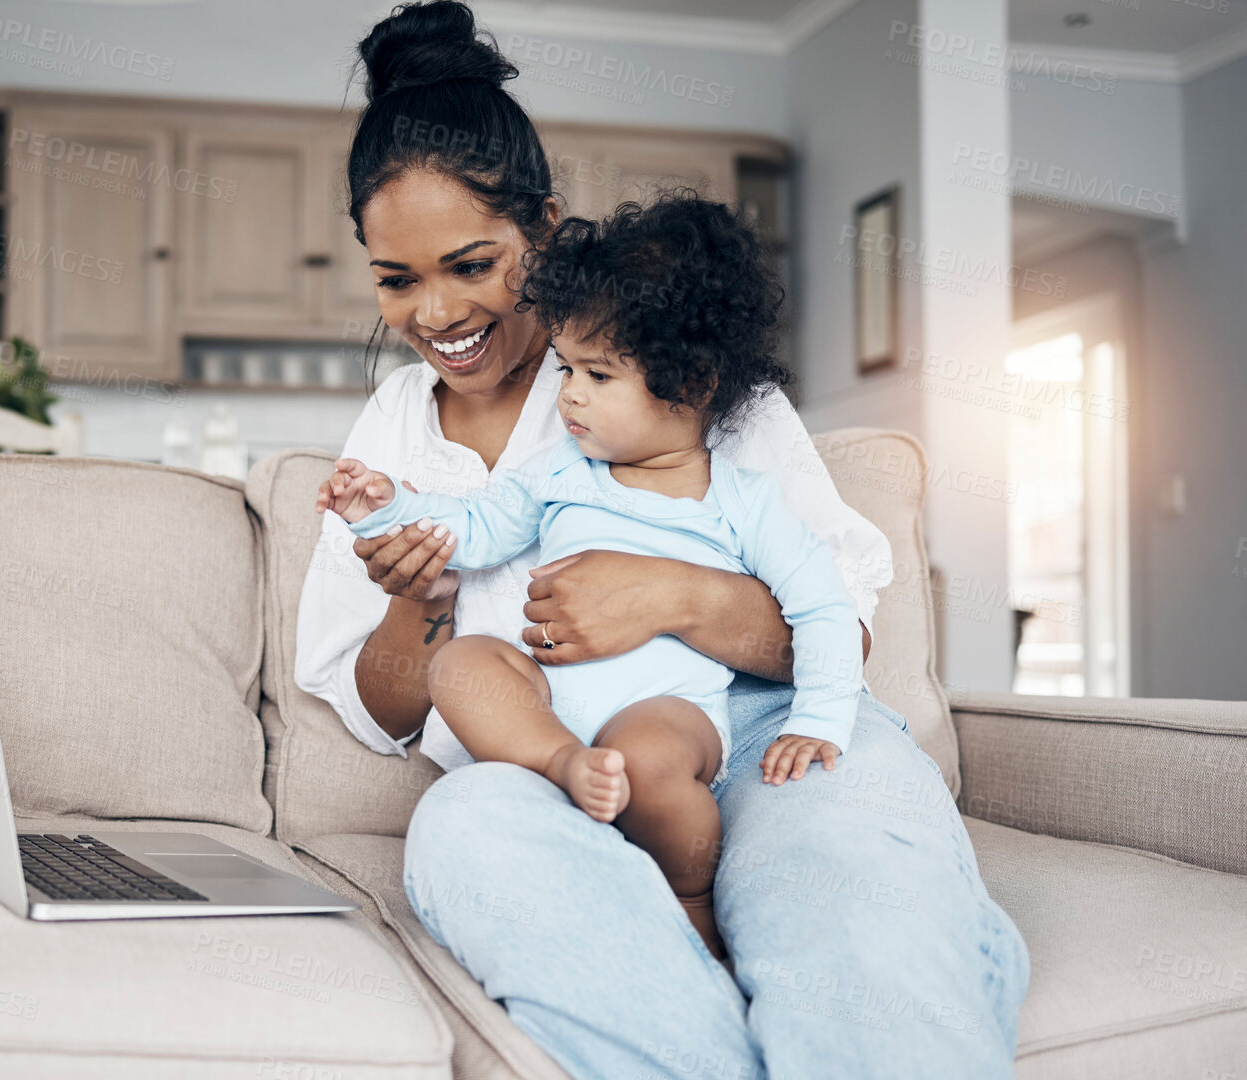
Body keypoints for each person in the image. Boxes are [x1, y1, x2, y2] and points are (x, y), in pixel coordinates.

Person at [295, 3, 1038, 1080]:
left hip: (749, 730)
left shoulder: (668, 356)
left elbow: (834, 613)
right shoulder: (391, 431)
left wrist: (675, 595)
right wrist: (413, 599)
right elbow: (382, 705)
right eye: (396, 281)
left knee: (847, 899)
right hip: (539, 777)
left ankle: (901, 963)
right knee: (465, 826)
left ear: (543, 226)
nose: (434, 315)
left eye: (474, 265)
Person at [316, 193, 865, 961]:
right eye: (567, 366)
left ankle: (693, 906)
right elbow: (471, 530)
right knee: (464, 663)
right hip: (550, 707)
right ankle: (562, 763)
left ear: (692, 385)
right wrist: (384, 508)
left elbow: (826, 608)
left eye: (597, 375)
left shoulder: (742, 502)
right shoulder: (561, 472)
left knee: (651, 766)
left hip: (665, 713)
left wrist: (821, 720)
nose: (566, 393)